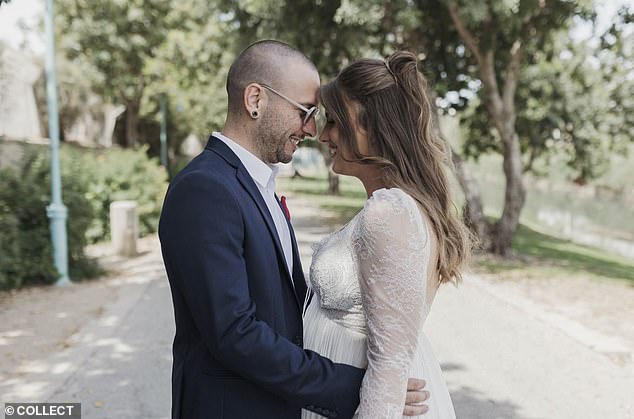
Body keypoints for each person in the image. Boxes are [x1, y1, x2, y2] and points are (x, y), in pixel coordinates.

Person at [158, 40, 429, 419]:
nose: (312, 128)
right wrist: (358, 388)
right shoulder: (204, 188)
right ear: (256, 100)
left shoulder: (254, 185)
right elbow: (234, 332)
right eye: (305, 110)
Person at [302, 51, 472, 419]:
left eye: (334, 120)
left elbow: (389, 362)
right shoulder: (393, 207)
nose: (324, 134)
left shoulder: (390, 212)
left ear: (368, 125)